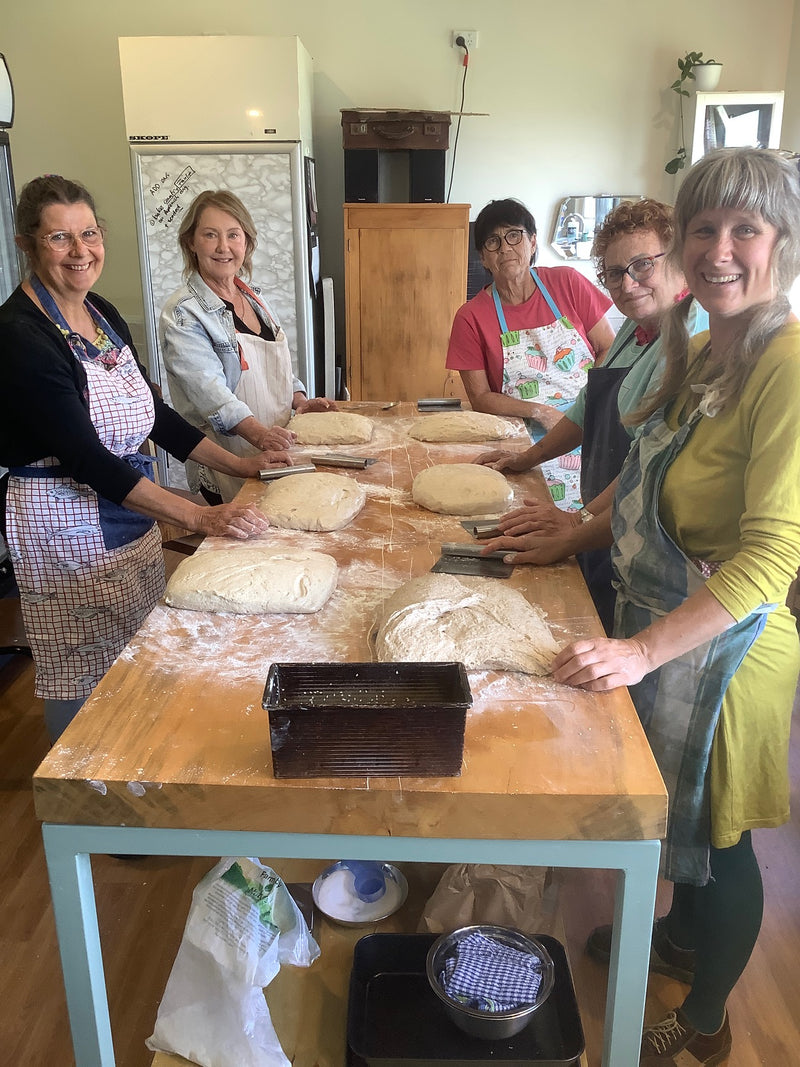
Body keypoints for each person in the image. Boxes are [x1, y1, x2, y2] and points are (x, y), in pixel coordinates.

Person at [552, 148, 800, 1065]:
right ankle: (680, 934)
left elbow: (774, 553)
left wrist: (645, 651)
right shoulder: (701, 347)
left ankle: (706, 1021)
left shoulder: (787, 362)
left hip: (731, 646)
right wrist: (570, 534)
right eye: (703, 228)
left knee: (722, 837)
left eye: (746, 229)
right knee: (679, 816)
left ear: (783, 243)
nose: (720, 248)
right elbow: (640, 471)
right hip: (666, 625)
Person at [0, 176, 290, 743]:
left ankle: (135, 772)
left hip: (127, 509)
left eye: (89, 234)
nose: (80, 251)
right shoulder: (19, 337)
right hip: (65, 523)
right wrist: (200, 517)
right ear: (28, 245)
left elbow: (154, 414)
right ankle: (83, 791)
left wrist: (240, 466)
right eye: (60, 238)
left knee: (134, 654)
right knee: (81, 671)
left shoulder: (101, 313)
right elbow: (85, 458)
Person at [476, 199, 708, 633]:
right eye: (614, 273)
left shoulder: (694, 338)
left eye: (641, 265)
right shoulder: (632, 331)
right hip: (608, 526)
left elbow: (649, 463)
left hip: (655, 552)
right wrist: (527, 458)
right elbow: (587, 410)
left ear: (678, 259)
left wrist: (576, 525)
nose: (627, 284)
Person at [160, 189, 336, 504]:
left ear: (247, 242)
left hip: (277, 448)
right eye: (210, 235)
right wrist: (259, 435)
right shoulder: (184, 312)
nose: (223, 247)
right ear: (191, 242)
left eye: (233, 235)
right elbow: (210, 393)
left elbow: (277, 368)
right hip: (229, 461)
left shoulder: (252, 296)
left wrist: (298, 400)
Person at [445, 197, 615, 510]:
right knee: (539, 523)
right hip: (524, 439)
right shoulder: (471, 317)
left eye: (514, 235)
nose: (505, 248)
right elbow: (480, 397)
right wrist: (540, 411)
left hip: (590, 426)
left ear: (532, 241)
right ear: (483, 257)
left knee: (599, 519)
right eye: (493, 242)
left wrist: (585, 407)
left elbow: (609, 349)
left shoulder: (567, 282)